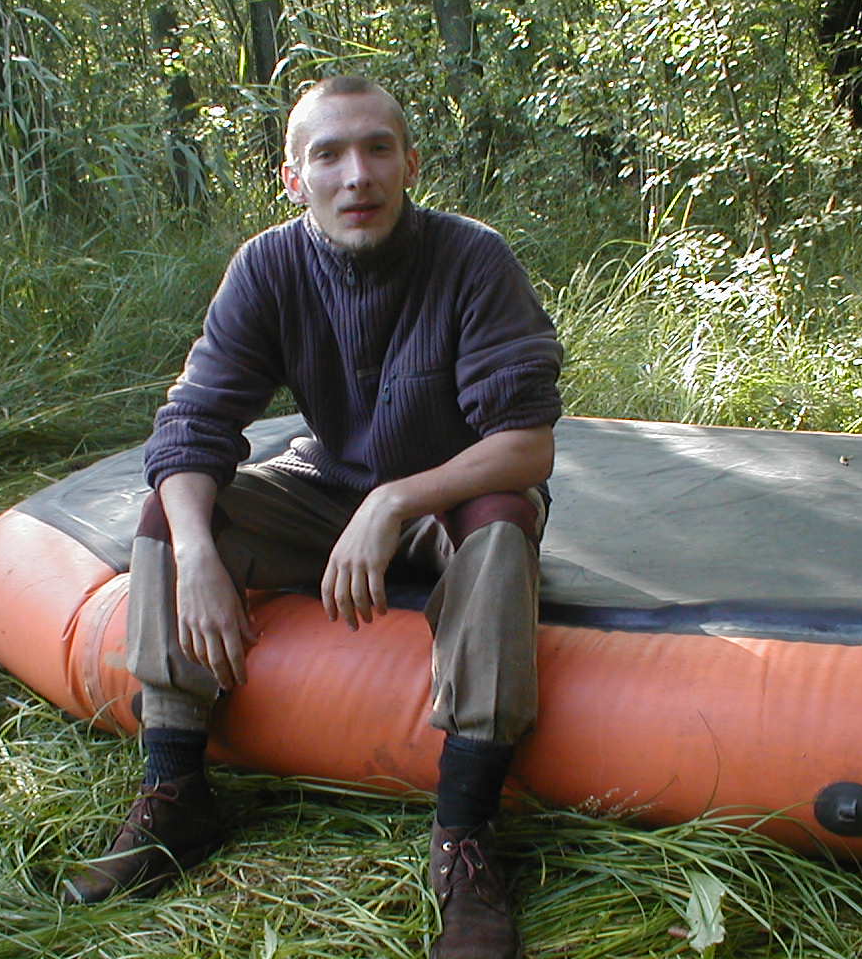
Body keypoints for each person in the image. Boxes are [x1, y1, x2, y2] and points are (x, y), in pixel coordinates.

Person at [64, 75, 563, 959]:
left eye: (377, 149)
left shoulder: (472, 258)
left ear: (410, 164)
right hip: (325, 488)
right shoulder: (268, 267)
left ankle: (466, 839)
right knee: (173, 512)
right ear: (294, 179)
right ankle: (177, 794)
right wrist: (198, 555)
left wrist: (395, 499)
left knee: (501, 517)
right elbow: (190, 427)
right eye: (328, 154)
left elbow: (525, 446)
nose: (356, 174)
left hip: (446, 497)